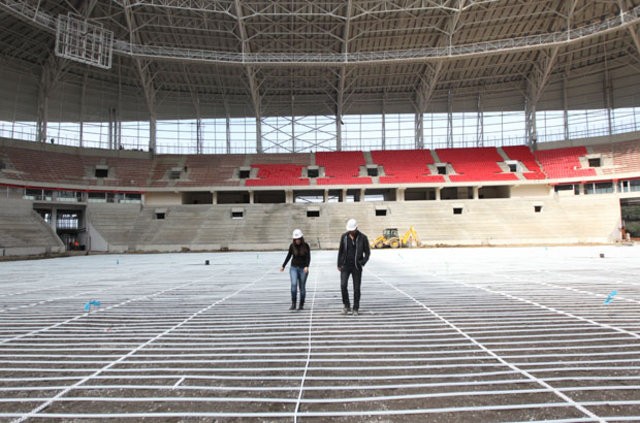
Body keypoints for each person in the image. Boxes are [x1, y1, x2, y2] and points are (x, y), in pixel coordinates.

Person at [337, 218, 370, 316]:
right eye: (349, 230)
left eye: (352, 230)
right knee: (343, 285)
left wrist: (362, 262)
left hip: (356, 267)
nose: (351, 231)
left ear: (356, 228)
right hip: (345, 266)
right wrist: (339, 264)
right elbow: (341, 251)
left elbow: (367, 253)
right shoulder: (344, 237)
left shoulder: (363, 238)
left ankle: (356, 308)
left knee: (356, 288)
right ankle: (346, 305)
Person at [280, 229, 311, 311]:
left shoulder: (306, 246)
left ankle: (301, 304)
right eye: (296, 239)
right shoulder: (292, 246)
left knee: (302, 287)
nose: (297, 240)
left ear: (301, 238)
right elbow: (289, 256)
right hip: (293, 268)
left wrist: (307, 266)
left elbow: (308, 257)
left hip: (303, 269)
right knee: (293, 284)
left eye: (299, 239)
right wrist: (283, 265)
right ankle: (293, 303)